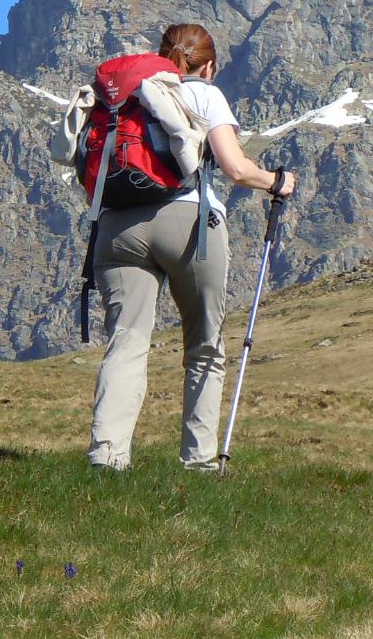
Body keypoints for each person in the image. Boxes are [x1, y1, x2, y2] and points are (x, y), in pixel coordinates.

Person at [88, 24, 296, 471]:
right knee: (204, 346)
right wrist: (277, 182)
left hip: (116, 225)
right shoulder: (203, 94)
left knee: (126, 343)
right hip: (188, 222)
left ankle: (106, 457)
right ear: (209, 65)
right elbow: (235, 168)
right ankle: (198, 464)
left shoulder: (126, 96)